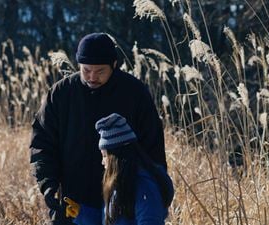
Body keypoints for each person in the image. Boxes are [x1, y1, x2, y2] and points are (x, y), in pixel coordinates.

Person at [29, 32, 168, 225]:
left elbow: (152, 149)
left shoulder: (135, 93)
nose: (92, 77)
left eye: (100, 71)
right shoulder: (61, 94)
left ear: (114, 65)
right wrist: (49, 187)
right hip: (72, 202)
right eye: (86, 70)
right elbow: (42, 145)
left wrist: (150, 189)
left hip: (122, 201)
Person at [64, 113, 174, 225]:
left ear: (115, 157)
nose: (102, 162)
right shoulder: (121, 184)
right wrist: (81, 214)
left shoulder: (144, 186)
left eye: (104, 156)